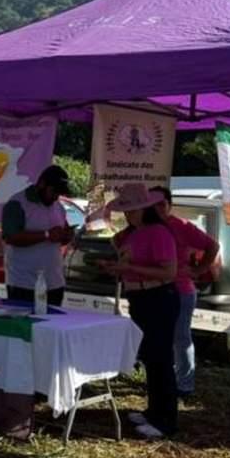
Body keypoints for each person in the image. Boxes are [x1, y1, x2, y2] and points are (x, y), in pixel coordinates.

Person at [98, 183, 180, 439]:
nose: (129, 215)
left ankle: (166, 420)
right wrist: (118, 268)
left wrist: (129, 269)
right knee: (151, 358)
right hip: (142, 296)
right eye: (126, 210)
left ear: (146, 208)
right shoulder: (136, 232)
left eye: (133, 210)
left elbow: (169, 272)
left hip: (158, 297)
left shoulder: (158, 233)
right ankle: (154, 411)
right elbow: (131, 262)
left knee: (160, 359)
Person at [155, 187, 220, 397]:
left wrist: (200, 269)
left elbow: (213, 246)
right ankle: (165, 381)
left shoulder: (181, 226)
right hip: (154, 291)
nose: (156, 209)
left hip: (180, 291)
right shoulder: (144, 228)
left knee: (180, 338)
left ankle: (185, 385)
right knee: (160, 338)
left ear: (169, 205)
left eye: (161, 204)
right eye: (151, 205)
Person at [1, 164, 75, 305]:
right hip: (24, 283)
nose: (56, 197)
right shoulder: (17, 203)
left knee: (52, 326)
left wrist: (66, 236)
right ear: (42, 184)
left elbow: (60, 236)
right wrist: (46, 235)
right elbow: (11, 237)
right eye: (53, 191)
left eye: (59, 194)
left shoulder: (58, 207)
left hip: (54, 283)